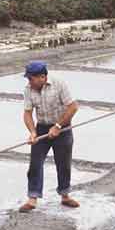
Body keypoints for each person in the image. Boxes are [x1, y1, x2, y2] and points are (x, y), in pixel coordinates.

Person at [20, 61, 80, 213]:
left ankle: (65, 195)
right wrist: (33, 132)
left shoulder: (59, 84)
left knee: (63, 163)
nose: (29, 82)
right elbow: (27, 113)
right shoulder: (28, 89)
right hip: (42, 127)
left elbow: (73, 107)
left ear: (42, 77)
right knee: (35, 163)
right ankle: (32, 198)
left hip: (63, 126)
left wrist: (58, 126)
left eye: (31, 78)